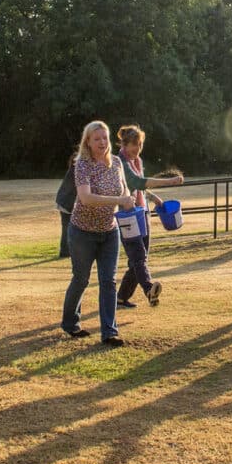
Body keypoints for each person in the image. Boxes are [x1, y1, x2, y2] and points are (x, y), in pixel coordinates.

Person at [63, 121, 136, 346]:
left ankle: (109, 332)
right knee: (81, 279)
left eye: (104, 138)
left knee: (108, 281)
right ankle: (70, 324)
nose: (102, 142)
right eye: (97, 139)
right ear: (88, 141)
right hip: (82, 232)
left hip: (109, 232)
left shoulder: (116, 163)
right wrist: (118, 201)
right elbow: (86, 198)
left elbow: (123, 188)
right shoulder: (82, 164)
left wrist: (127, 199)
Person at [114, 125, 184, 309]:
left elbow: (141, 188)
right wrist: (170, 182)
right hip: (127, 215)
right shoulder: (119, 162)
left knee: (139, 258)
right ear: (125, 144)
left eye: (140, 144)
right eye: (134, 145)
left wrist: (153, 198)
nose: (138, 148)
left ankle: (121, 298)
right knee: (138, 257)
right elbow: (136, 182)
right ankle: (149, 289)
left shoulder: (136, 160)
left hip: (142, 212)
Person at [54, 157, 76, 260]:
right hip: (66, 202)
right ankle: (65, 251)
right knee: (67, 227)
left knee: (67, 227)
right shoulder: (77, 168)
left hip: (64, 201)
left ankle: (66, 251)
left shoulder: (75, 167)